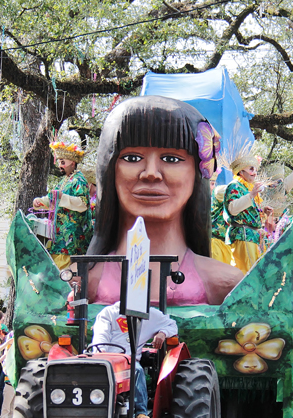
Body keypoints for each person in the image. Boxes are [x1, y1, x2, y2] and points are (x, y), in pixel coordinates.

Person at [87, 96, 244, 306]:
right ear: (109, 169)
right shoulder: (81, 281)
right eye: (132, 158)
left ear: (197, 173)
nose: (151, 174)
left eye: (171, 159)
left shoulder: (227, 284)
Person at [91, 302, 178, 418]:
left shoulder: (150, 314)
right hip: (106, 358)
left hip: (129, 361)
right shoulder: (109, 313)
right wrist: (101, 350)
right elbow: (101, 334)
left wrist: (162, 333)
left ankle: (140, 413)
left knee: (136, 370)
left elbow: (171, 324)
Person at [224, 152, 293, 273]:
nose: (255, 172)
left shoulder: (247, 188)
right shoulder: (234, 186)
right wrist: (252, 195)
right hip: (242, 235)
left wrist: (263, 212)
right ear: (241, 171)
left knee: (253, 273)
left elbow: (247, 212)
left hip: (252, 237)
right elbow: (232, 209)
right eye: (251, 169)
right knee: (246, 275)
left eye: (256, 169)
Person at [32, 141, 94, 270]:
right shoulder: (63, 181)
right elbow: (52, 199)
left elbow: (83, 204)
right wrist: (40, 202)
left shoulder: (79, 180)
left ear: (72, 163)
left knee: (64, 270)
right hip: (60, 235)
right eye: (59, 162)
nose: (60, 165)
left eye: (63, 162)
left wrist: (62, 197)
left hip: (73, 235)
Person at [209, 175, 233, 266]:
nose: (213, 187)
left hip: (225, 244)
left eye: (214, 184)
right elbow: (231, 190)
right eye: (212, 184)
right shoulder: (217, 192)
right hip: (215, 244)